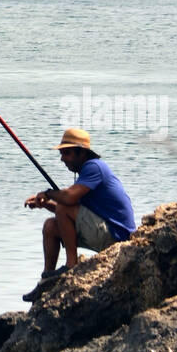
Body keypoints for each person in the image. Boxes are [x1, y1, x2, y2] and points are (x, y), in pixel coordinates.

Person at [22, 127, 136, 302]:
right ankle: (47, 280)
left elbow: (68, 200)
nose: (62, 159)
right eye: (62, 153)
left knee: (62, 205)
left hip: (116, 235)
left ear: (81, 153)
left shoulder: (94, 167)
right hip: (102, 230)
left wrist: (48, 194)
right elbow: (73, 213)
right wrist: (45, 204)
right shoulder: (85, 175)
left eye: (66, 153)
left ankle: (71, 264)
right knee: (50, 226)